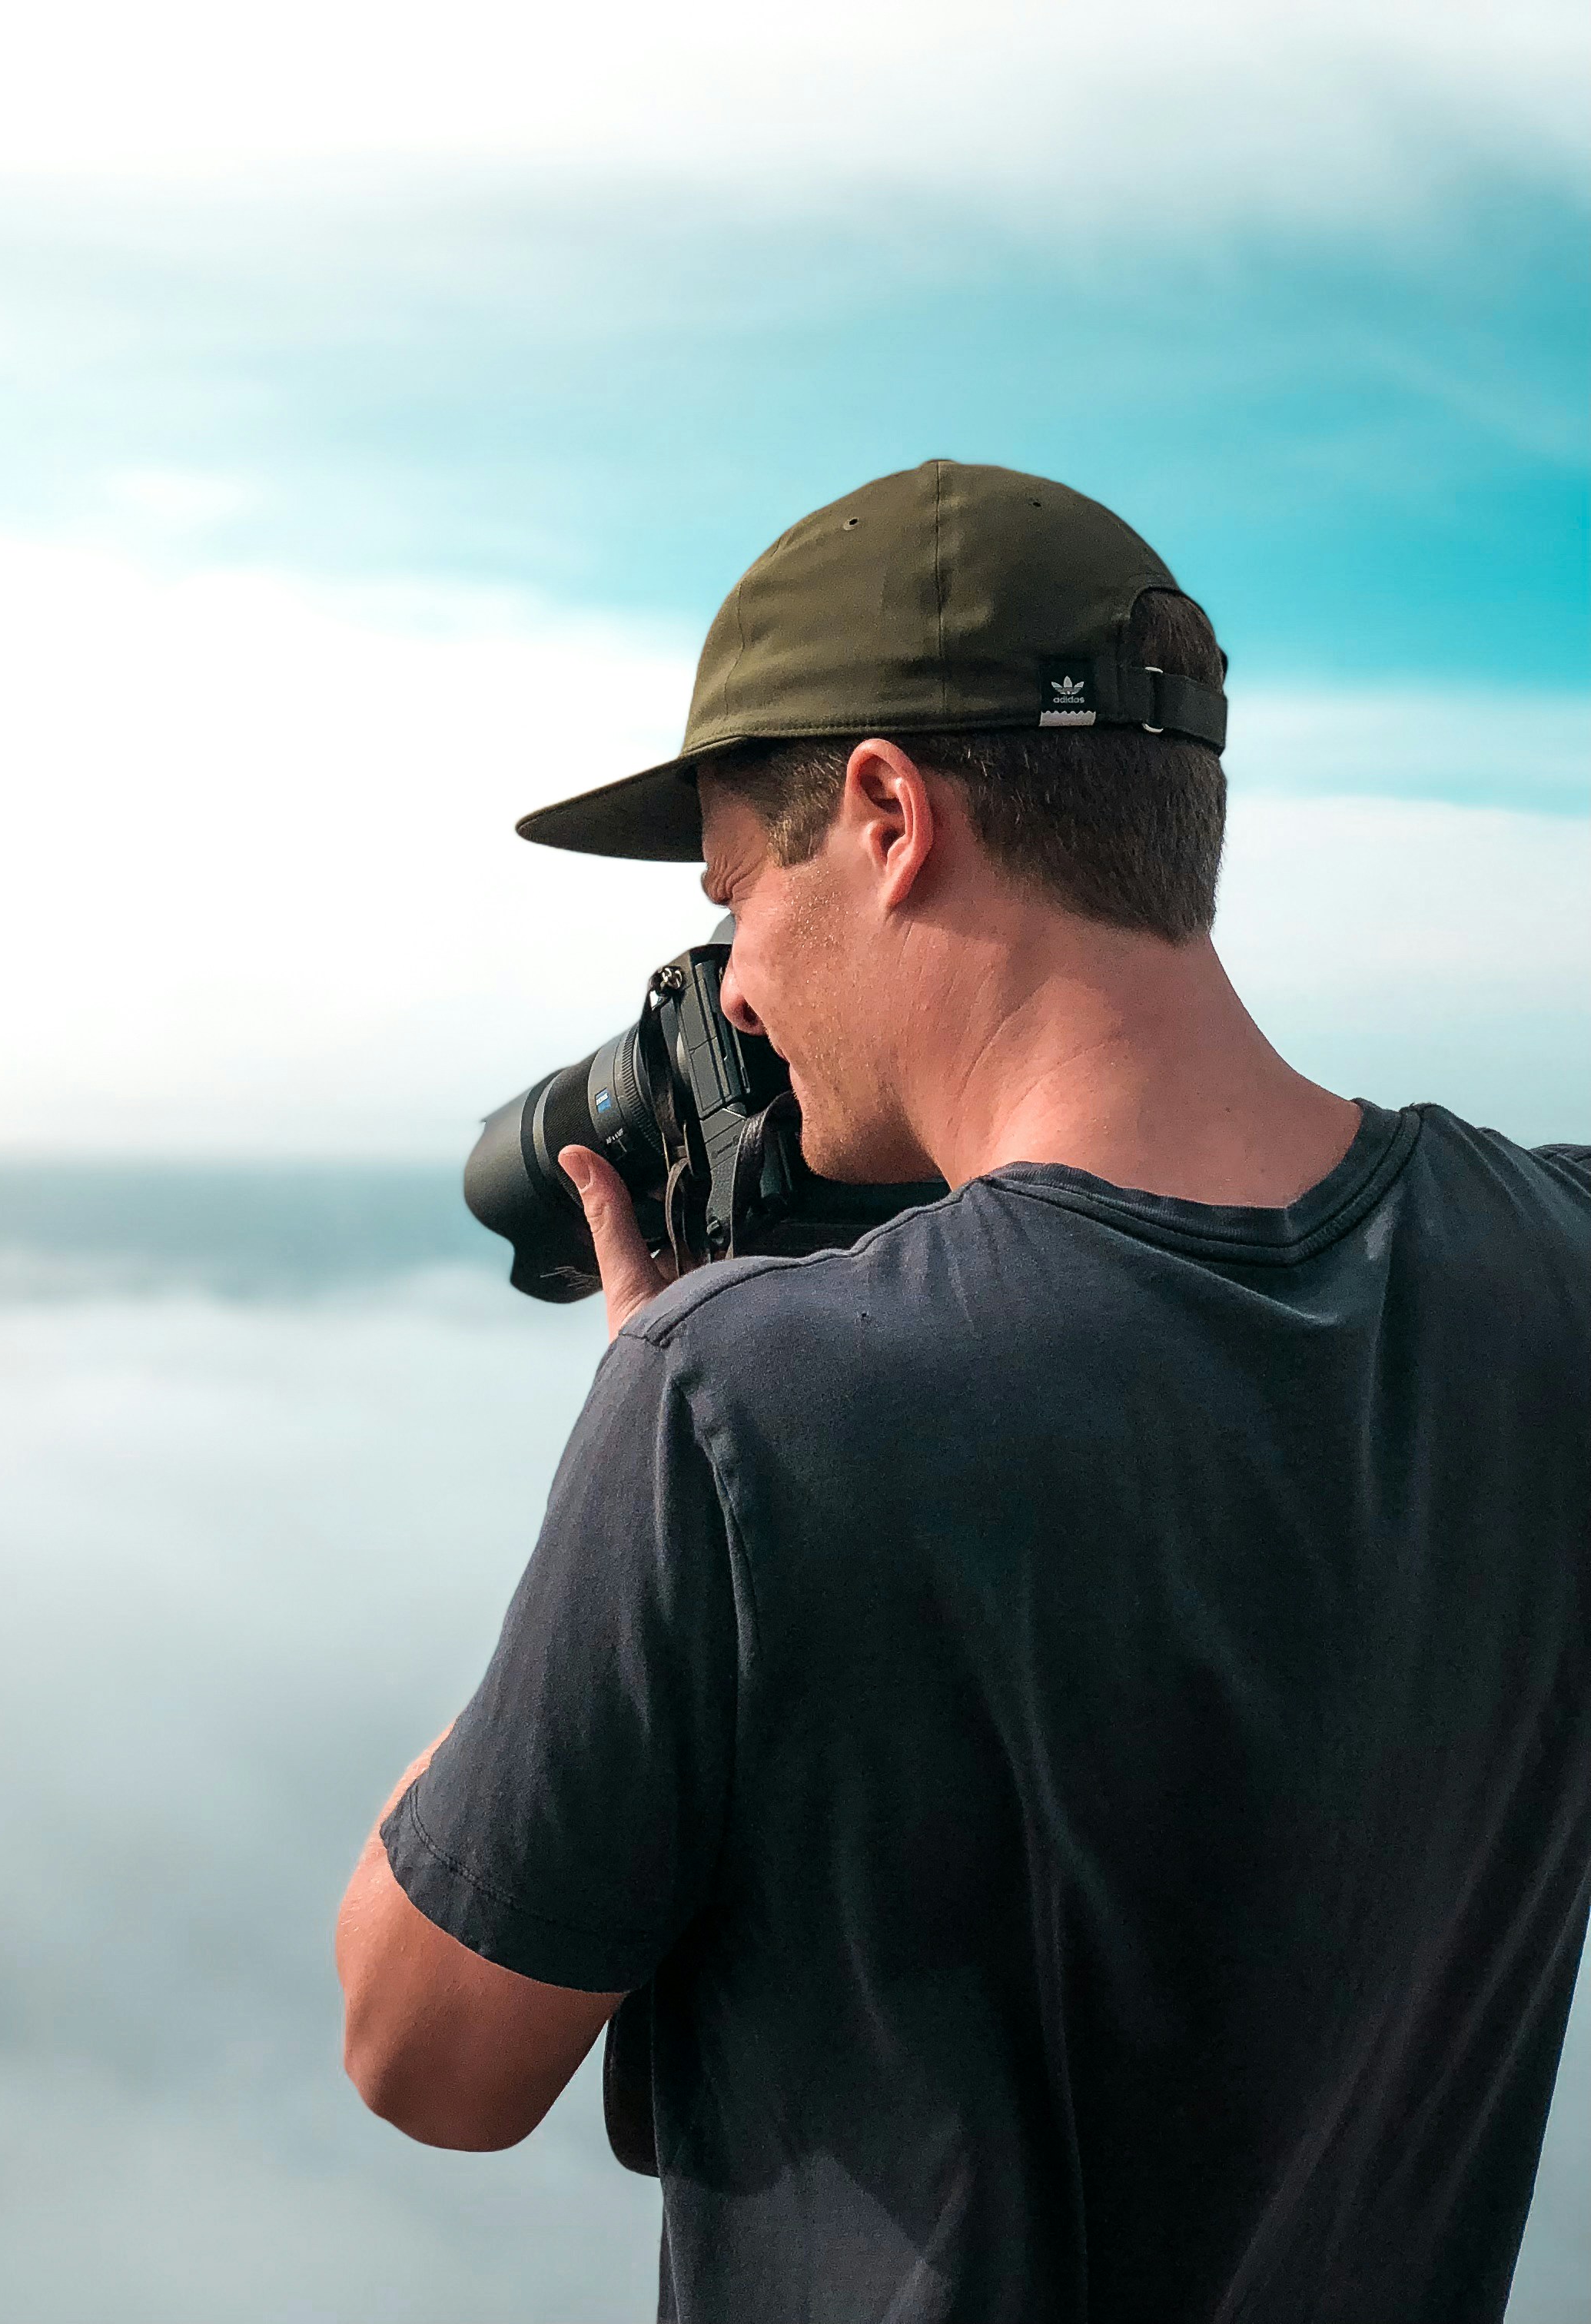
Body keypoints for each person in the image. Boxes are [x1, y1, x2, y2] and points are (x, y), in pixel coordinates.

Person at [332, 460, 1591, 2321]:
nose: (732, 991)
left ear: (889, 814)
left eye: (735, 901)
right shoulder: (1554, 1266)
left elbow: (423, 2053)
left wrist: (643, 1438)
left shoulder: (737, 1409)